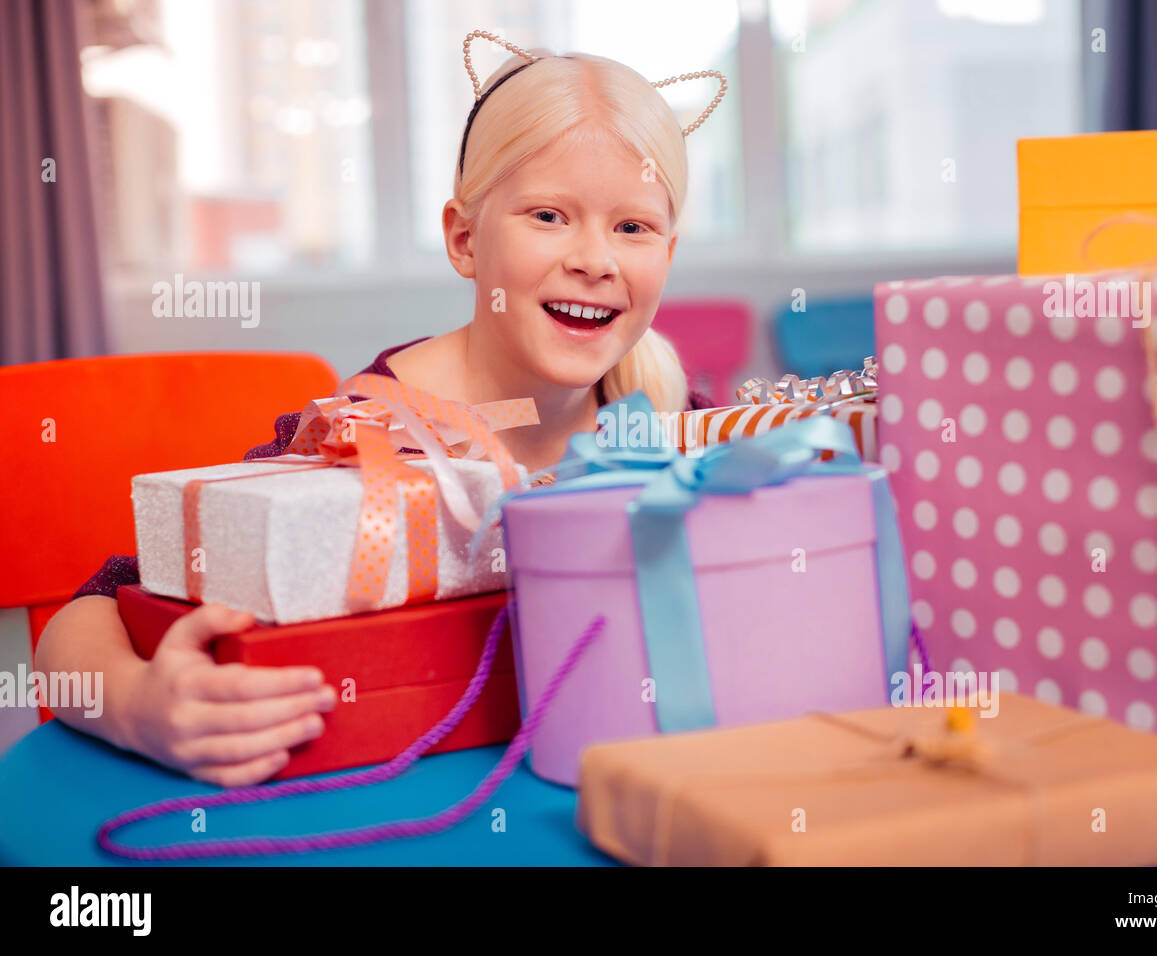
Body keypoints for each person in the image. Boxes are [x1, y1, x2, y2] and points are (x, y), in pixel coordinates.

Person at [34, 32, 726, 787]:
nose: (596, 259)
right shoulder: (366, 436)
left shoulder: (674, 420)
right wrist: (139, 705)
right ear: (465, 239)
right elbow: (88, 611)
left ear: (669, 250)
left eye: (632, 227)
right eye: (549, 216)